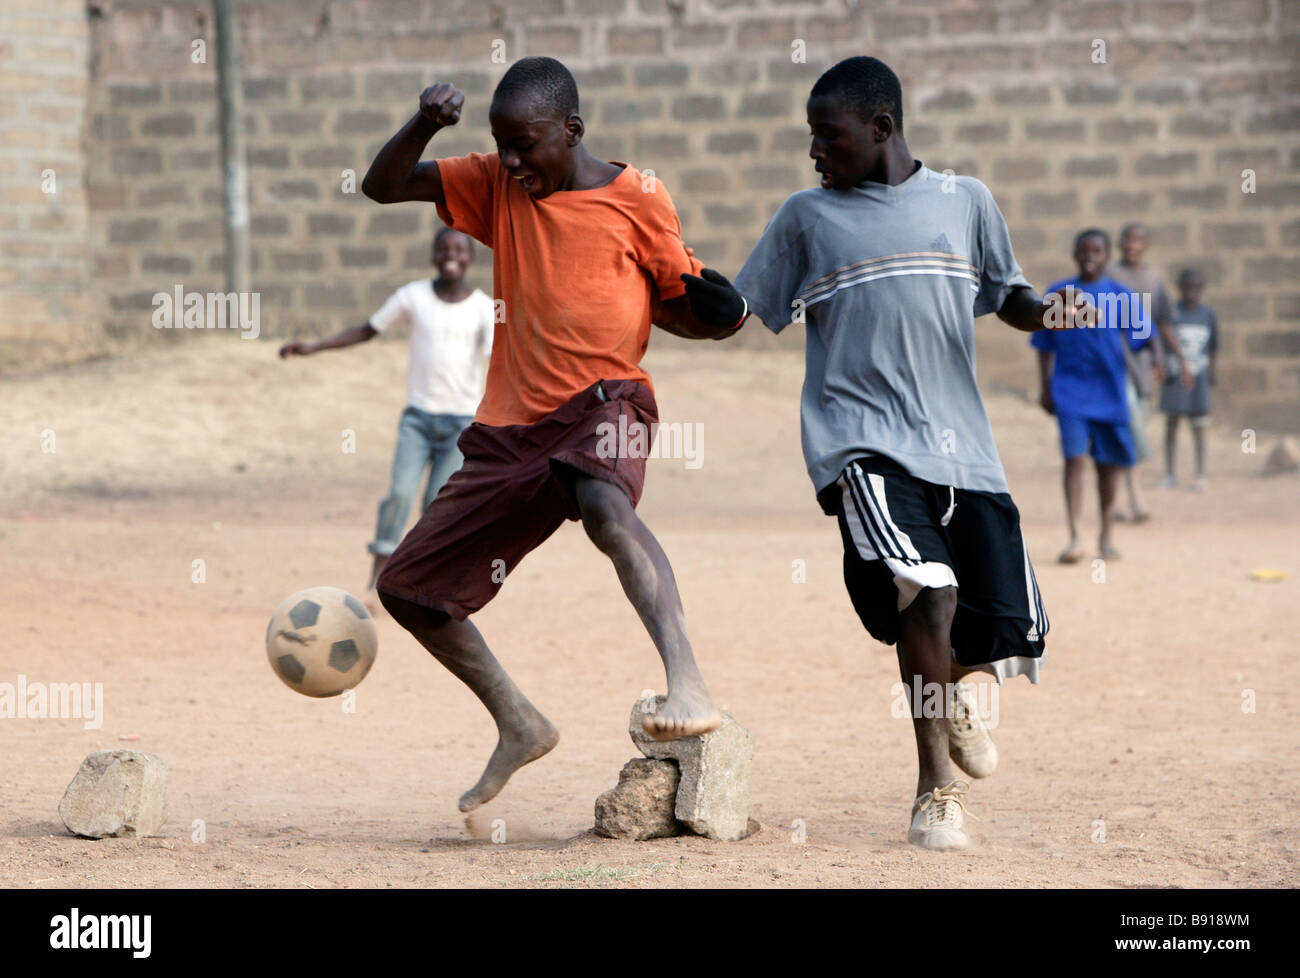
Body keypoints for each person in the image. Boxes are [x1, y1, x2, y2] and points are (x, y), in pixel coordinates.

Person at [360, 56, 747, 813]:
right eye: (500, 143)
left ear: (571, 131)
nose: (510, 161)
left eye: (526, 144)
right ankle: (518, 720)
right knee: (409, 589)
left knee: (604, 504)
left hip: (610, 402)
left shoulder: (639, 199)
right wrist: (425, 125)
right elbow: (382, 186)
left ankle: (687, 681)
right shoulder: (495, 183)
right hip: (511, 426)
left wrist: (723, 313)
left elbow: (684, 308)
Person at [729, 56, 1090, 850]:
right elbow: (740, 308)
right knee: (924, 591)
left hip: (963, 450)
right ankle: (937, 793)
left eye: (830, 136)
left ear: (882, 128)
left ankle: (953, 690)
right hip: (860, 443)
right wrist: (675, 285)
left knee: (1001, 626)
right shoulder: (806, 217)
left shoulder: (967, 201)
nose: (815, 152)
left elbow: (1009, 295)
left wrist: (1049, 312)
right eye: (811, 137)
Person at [279, 227, 494, 607]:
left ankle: (426, 587)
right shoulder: (413, 297)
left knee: (437, 507)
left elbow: (500, 362)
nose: (452, 255)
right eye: (444, 248)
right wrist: (313, 348)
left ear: (471, 258)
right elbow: (367, 330)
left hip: (461, 424)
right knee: (398, 494)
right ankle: (378, 574)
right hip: (418, 420)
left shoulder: (481, 308)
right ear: (433, 255)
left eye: (460, 249)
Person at [1033, 229, 1152, 564]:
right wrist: (1044, 387)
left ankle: (1105, 536)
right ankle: (1074, 536)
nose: (1090, 256)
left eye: (1098, 251)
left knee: (1108, 467)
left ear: (1107, 255)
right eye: (1084, 250)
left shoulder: (1121, 296)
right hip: (1069, 392)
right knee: (1073, 459)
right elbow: (1043, 346)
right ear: (1074, 254)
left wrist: (1159, 361)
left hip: (1110, 394)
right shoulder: (1060, 293)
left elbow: (1145, 335)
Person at [1108, 221, 1190, 523]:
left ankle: (1116, 500)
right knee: (1129, 429)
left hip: (1143, 369)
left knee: (1128, 429)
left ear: (1145, 245)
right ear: (1120, 243)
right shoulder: (1109, 277)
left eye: (1137, 241)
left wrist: (1179, 360)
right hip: (1116, 368)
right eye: (1126, 240)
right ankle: (1136, 498)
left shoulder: (1154, 279)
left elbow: (1164, 324)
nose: (1131, 246)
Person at [1160, 268, 1219, 490]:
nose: (1191, 293)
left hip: (1198, 378)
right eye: (1187, 288)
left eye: (1196, 288)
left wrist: (1213, 372)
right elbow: (1164, 342)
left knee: (1199, 426)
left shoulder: (1208, 314)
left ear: (1202, 290)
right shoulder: (1172, 313)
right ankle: (1169, 473)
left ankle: (1200, 474)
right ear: (1180, 288)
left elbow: (1213, 347)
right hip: (1175, 377)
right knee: (1171, 425)